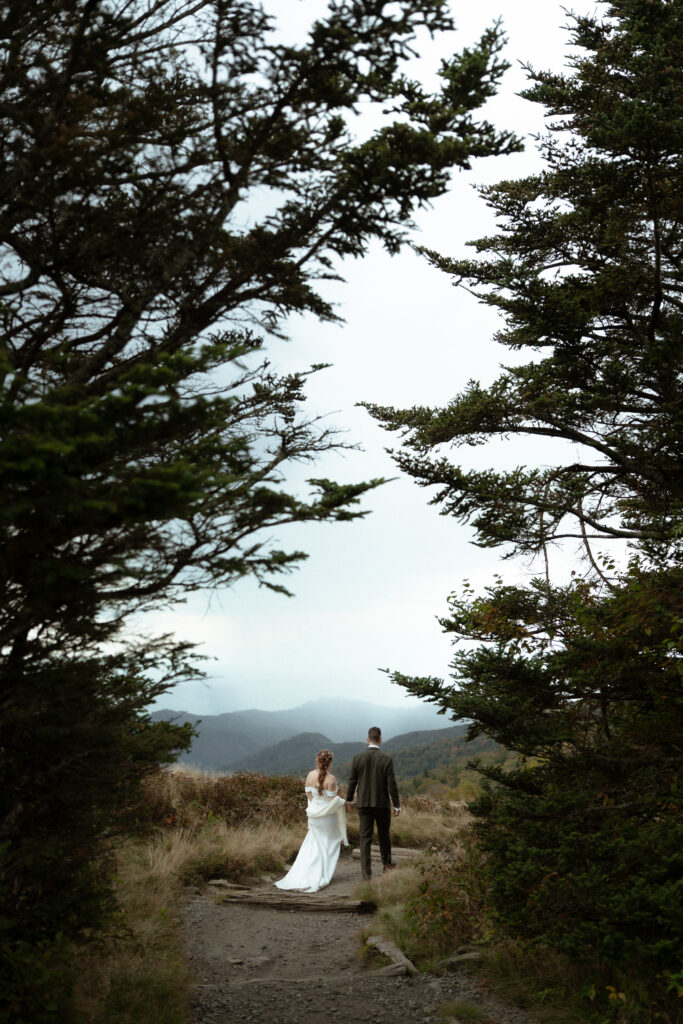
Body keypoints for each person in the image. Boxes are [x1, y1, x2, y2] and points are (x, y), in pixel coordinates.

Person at [275, 749, 348, 893]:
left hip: (315, 814)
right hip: (327, 817)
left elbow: (308, 793)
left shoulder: (310, 775)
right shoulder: (331, 779)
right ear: (330, 762)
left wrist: (316, 804)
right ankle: (320, 873)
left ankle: (305, 871)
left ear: (317, 759)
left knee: (314, 844)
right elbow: (333, 802)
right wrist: (346, 803)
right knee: (329, 843)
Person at [345, 726, 401, 880]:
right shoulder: (387, 759)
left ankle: (366, 874)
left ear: (367, 739)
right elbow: (392, 784)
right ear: (380, 740)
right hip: (382, 804)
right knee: (384, 835)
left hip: (363, 804)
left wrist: (349, 799)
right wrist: (397, 804)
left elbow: (352, 781)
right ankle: (387, 866)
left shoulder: (358, 758)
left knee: (365, 838)